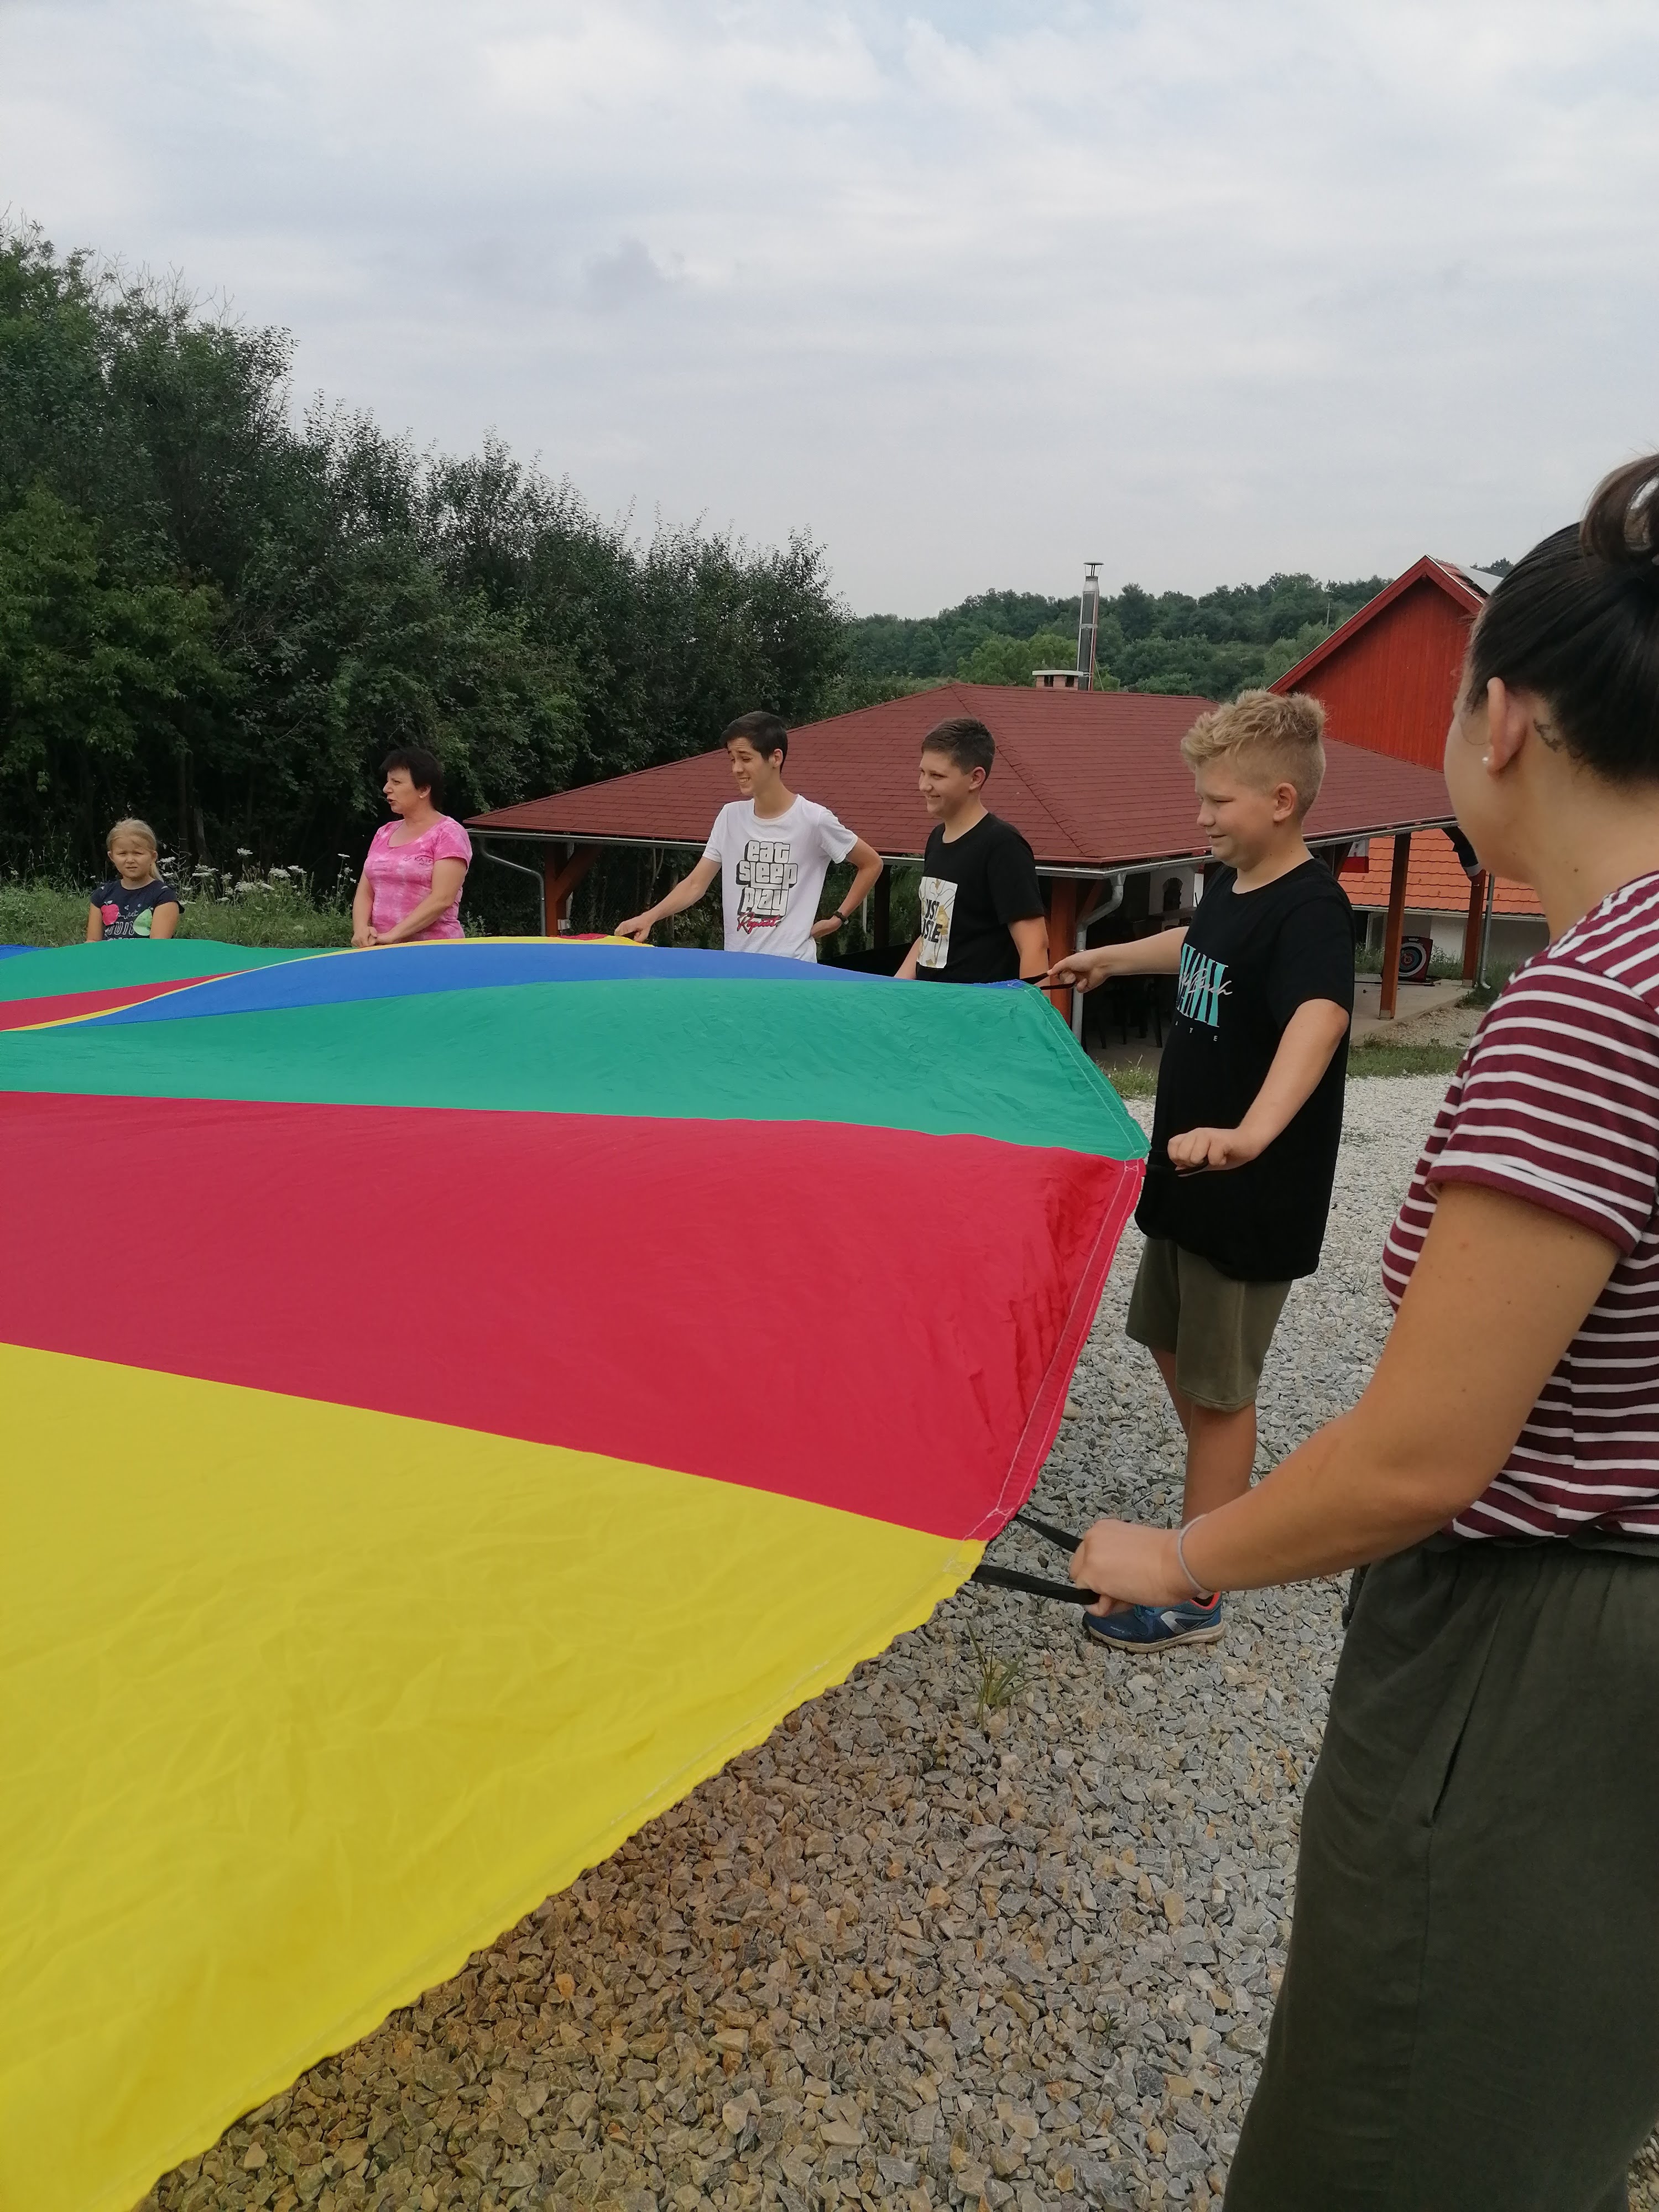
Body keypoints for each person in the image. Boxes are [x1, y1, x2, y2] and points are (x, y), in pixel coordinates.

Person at [1070, 455, 1659, 2209]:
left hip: (1549, 1652)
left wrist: (1184, 1551)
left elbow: (1421, 1456)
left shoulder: (1585, 1008)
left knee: (1405, 2125)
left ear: (1506, 719)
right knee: (1552, 2099)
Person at [1050, 690, 1353, 1653]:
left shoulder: (1313, 909)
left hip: (1247, 1195)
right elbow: (1196, 948)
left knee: (1222, 1396)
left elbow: (1319, 1020)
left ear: (1281, 801)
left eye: (1219, 801)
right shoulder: (1232, 886)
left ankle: (1198, 1589)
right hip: (1187, 1183)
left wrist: (1252, 1134)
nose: (1202, 816)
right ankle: (1231, 1509)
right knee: (1168, 1341)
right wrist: (1110, 958)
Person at [614, 711, 882, 958]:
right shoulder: (730, 817)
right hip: (739, 970)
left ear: (776, 758)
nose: (736, 769)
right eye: (732, 759)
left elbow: (871, 863)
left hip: (794, 971)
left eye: (745, 758)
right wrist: (649, 917)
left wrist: (838, 918)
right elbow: (696, 884)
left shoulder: (814, 819)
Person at [894, 717, 1048, 982]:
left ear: (976, 778)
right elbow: (931, 934)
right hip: (929, 1003)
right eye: (922, 773)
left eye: (937, 776)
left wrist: (1030, 1007)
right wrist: (892, 990)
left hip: (979, 1007)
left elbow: (1034, 944)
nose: (924, 785)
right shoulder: (936, 839)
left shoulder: (1002, 845)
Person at [352, 747, 472, 947]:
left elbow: (442, 898)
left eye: (397, 782)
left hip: (435, 950)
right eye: (388, 781)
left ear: (424, 789)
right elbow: (366, 891)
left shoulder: (449, 833)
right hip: (382, 949)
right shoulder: (384, 832)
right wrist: (361, 929)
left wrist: (393, 935)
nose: (387, 789)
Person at [86, 818, 181, 941]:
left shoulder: (164, 896)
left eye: (137, 853)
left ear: (153, 857)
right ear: (112, 857)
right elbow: (92, 942)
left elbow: (157, 945)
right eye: (122, 854)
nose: (130, 860)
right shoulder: (101, 895)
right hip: (108, 954)